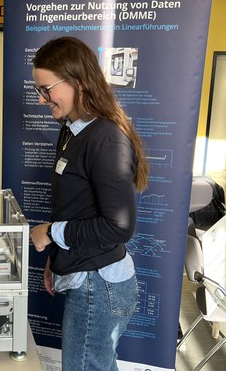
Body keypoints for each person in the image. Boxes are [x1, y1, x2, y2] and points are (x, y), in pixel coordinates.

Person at [29, 36, 149, 371]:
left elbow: (119, 226)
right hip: (84, 276)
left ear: (77, 83)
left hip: (100, 285)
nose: (41, 100)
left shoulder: (106, 138)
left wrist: (51, 234)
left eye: (46, 89)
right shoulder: (70, 131)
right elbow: (74, 206)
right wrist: (57, 260)